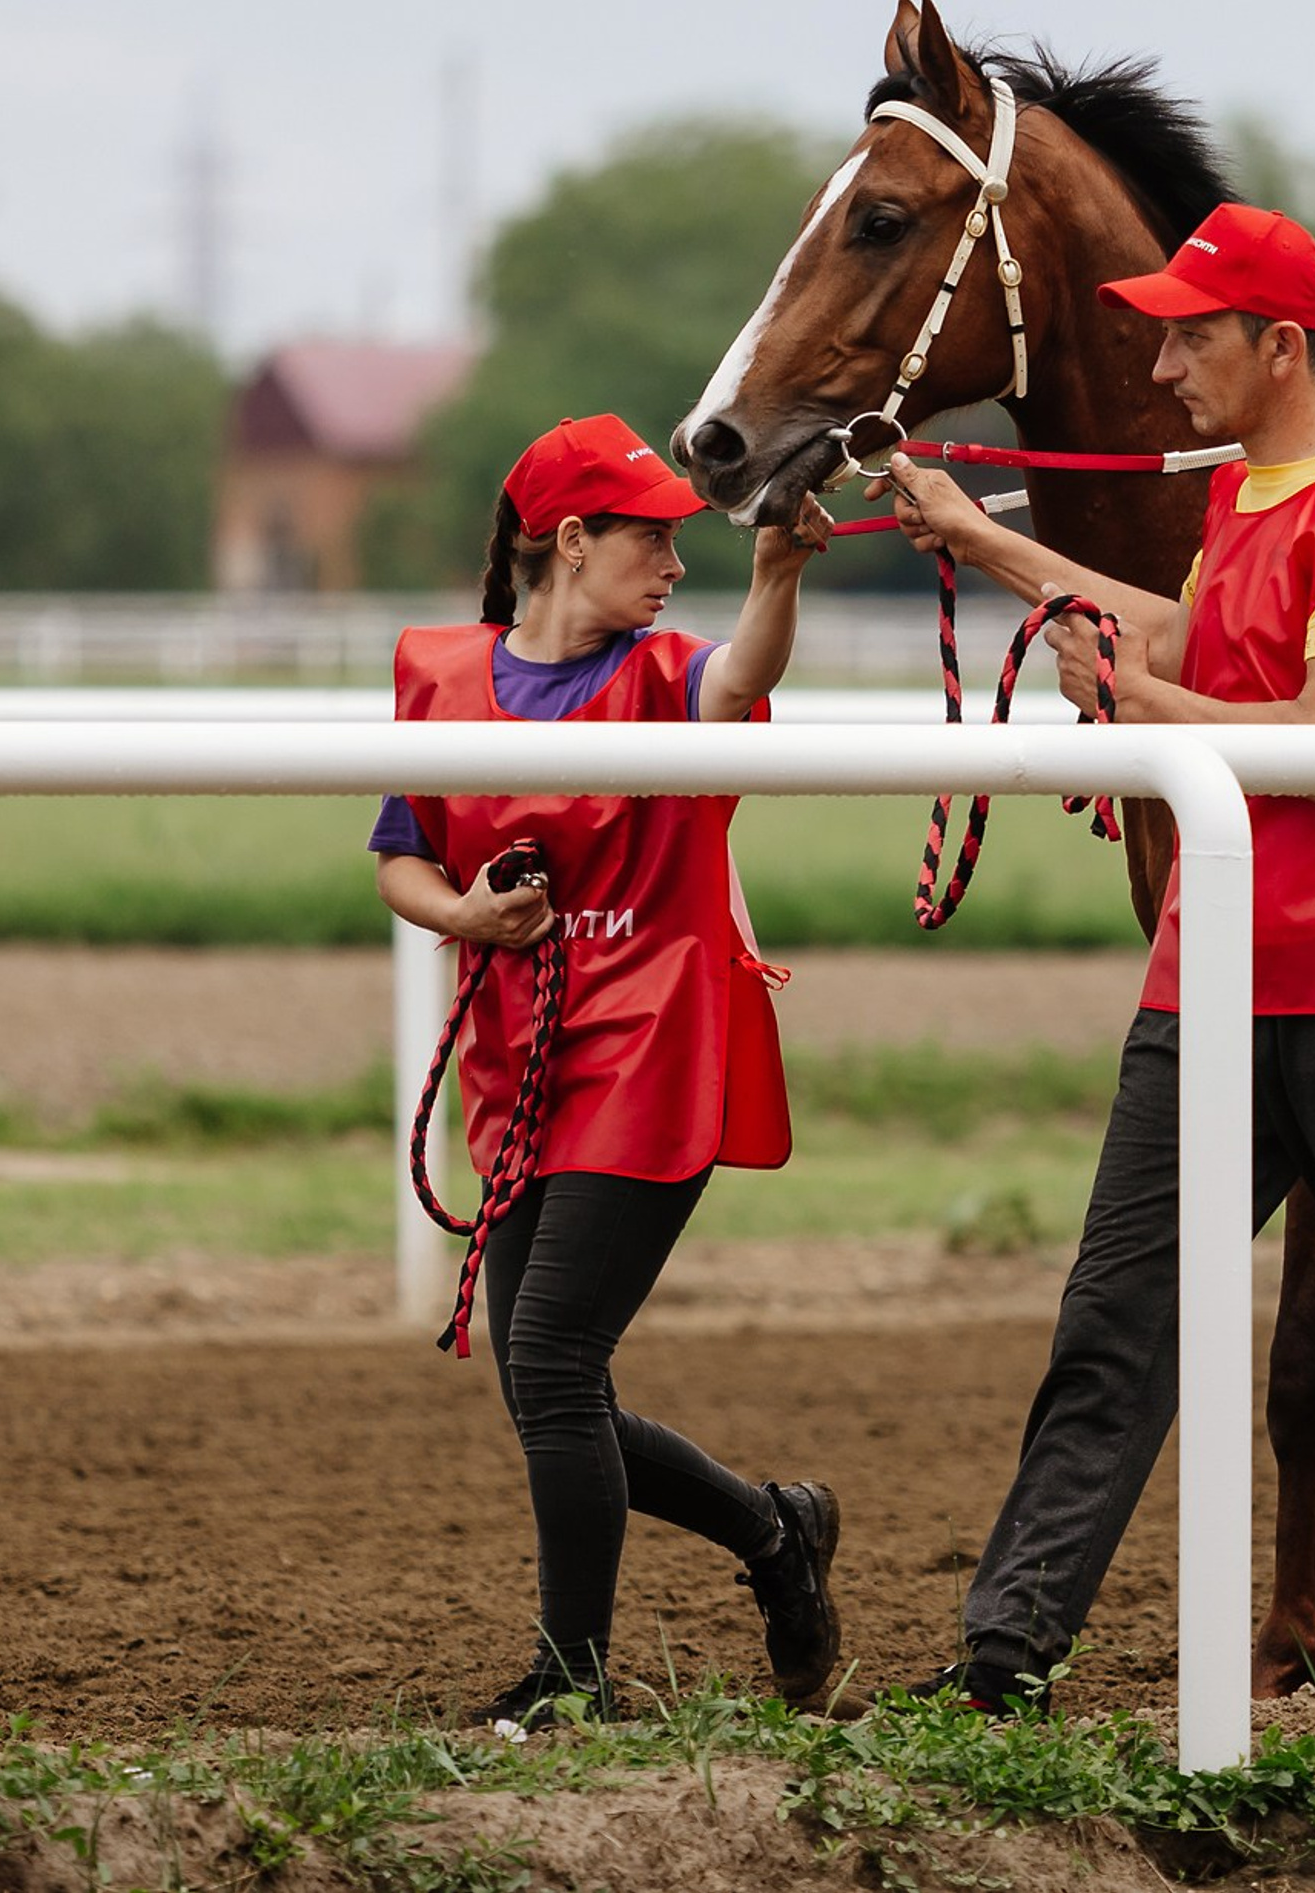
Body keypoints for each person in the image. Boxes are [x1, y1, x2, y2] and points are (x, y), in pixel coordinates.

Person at [880, 203, 1315, 1703]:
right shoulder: (1252, 494)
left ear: (1281, 346)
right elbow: (1185, 641)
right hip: (1211, 973)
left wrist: (1127, 700)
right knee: (1112, 1325)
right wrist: (986, 541)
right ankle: (1005, 1652)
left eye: (1191, 334)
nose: (1161, 360)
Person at [373, 411, 844, 1729]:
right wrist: (465, 917)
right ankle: (774, 1535)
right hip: (520, 1057)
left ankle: (571, 1679)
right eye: (655, 538)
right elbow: (401, 854)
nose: (674, 566)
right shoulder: (437, 675)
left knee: (557, 1364)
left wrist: (779, 577)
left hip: (657, 1042)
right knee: (544, 1385)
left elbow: (741, 682)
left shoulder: (669, 672)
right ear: (570, 540)